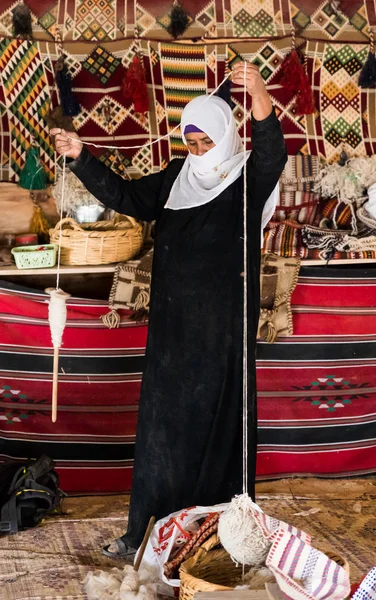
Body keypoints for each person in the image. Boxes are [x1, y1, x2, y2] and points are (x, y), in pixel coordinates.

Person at [52, 61, 287, 558]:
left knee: (216, 426)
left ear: (225, 136)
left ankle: (217, 537)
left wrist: (260, 93)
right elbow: (128, 196)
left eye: (206, 143)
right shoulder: (179, 175)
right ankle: (146, 532)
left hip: (223, 327)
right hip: (173, 325)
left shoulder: (249, 176)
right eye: (192, 143)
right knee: (163, 426)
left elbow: (272, 150)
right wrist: (81, 156)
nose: (199, 153)